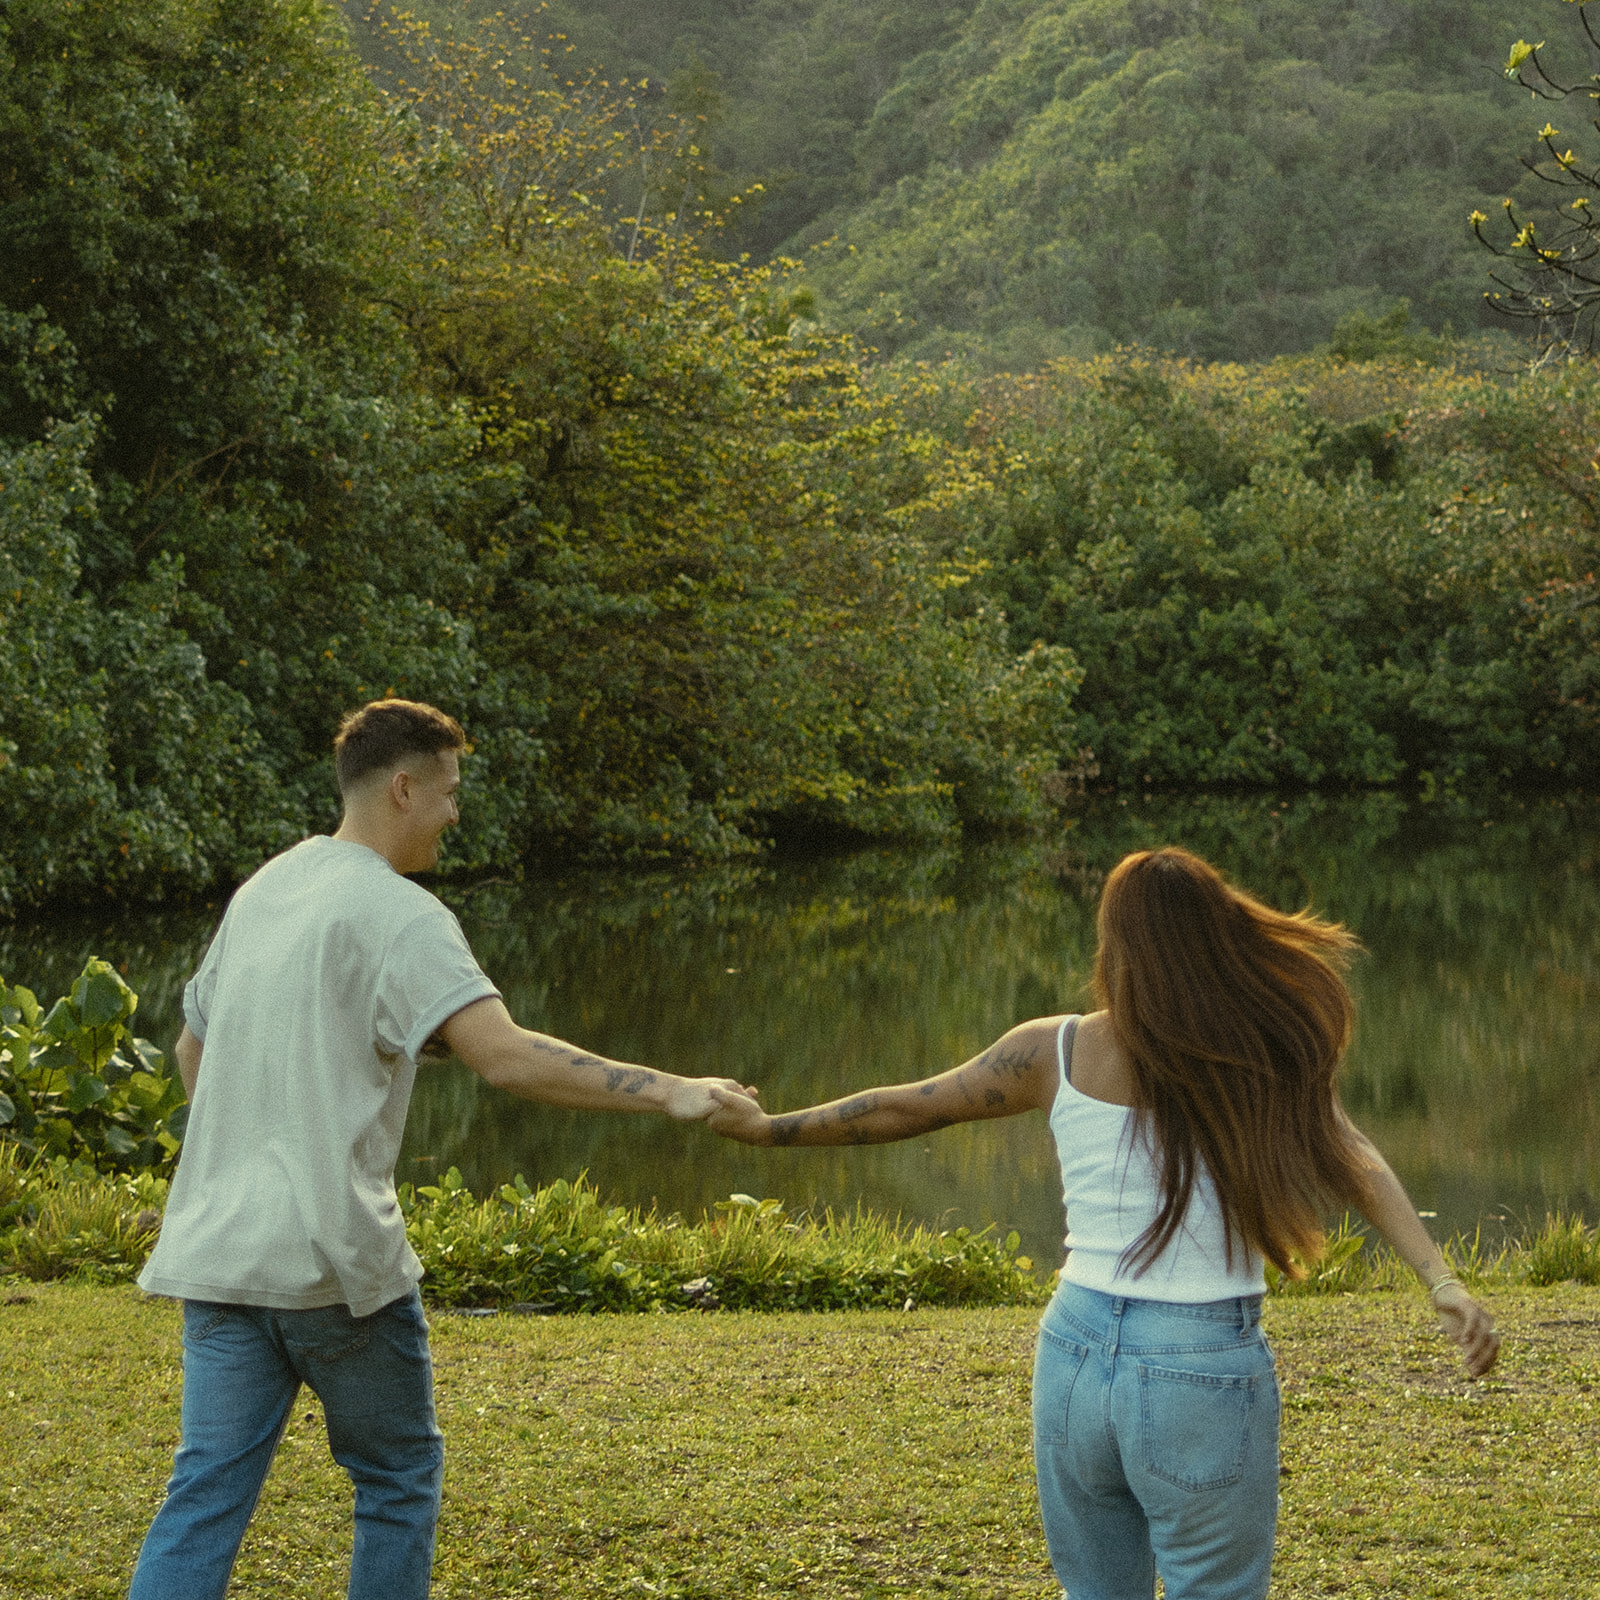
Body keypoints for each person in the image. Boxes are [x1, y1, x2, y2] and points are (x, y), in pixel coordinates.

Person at [708, 845, 1499, 1600]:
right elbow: (1351, 1153)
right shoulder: (1260, 1049)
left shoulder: (1050, 1051)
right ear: (1220, 929)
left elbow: (901, 1108)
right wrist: (1442, 1280)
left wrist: (765, 1128)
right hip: (1199, 1360)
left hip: (1075, 1354)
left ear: (1116, 942)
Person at [130, 699, 758, 1600]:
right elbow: (503, 1058)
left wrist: (255, 1149)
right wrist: (672, 1090)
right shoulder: (401, 915)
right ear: (402, 787)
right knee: (396, 1479)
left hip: (219, 1256)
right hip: (332, 1265)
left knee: (204, 1493)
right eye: (451, 793)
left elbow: (195, 1046)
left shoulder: (270, 885)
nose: (457, 814)